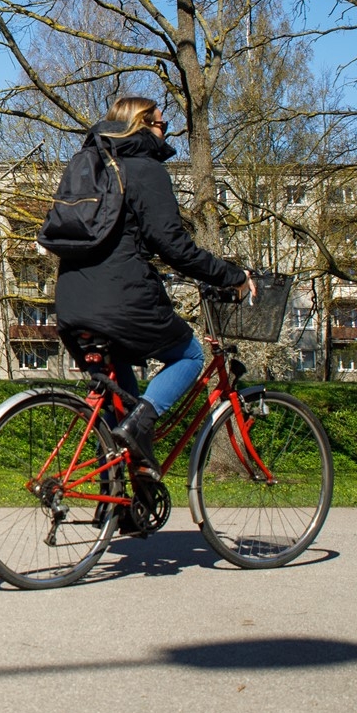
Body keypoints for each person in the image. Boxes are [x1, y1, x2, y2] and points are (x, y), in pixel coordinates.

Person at [53, 98, 255, 479]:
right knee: (191, 356)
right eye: (163, 125)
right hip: (120, 301)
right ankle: (138, 426)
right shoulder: (145, 169)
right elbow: (174, 246)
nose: (168, 132)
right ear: (144, 125)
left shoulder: (91, 166)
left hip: (71, 302)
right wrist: (232, 275)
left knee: (118, 398)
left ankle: (119, 497)